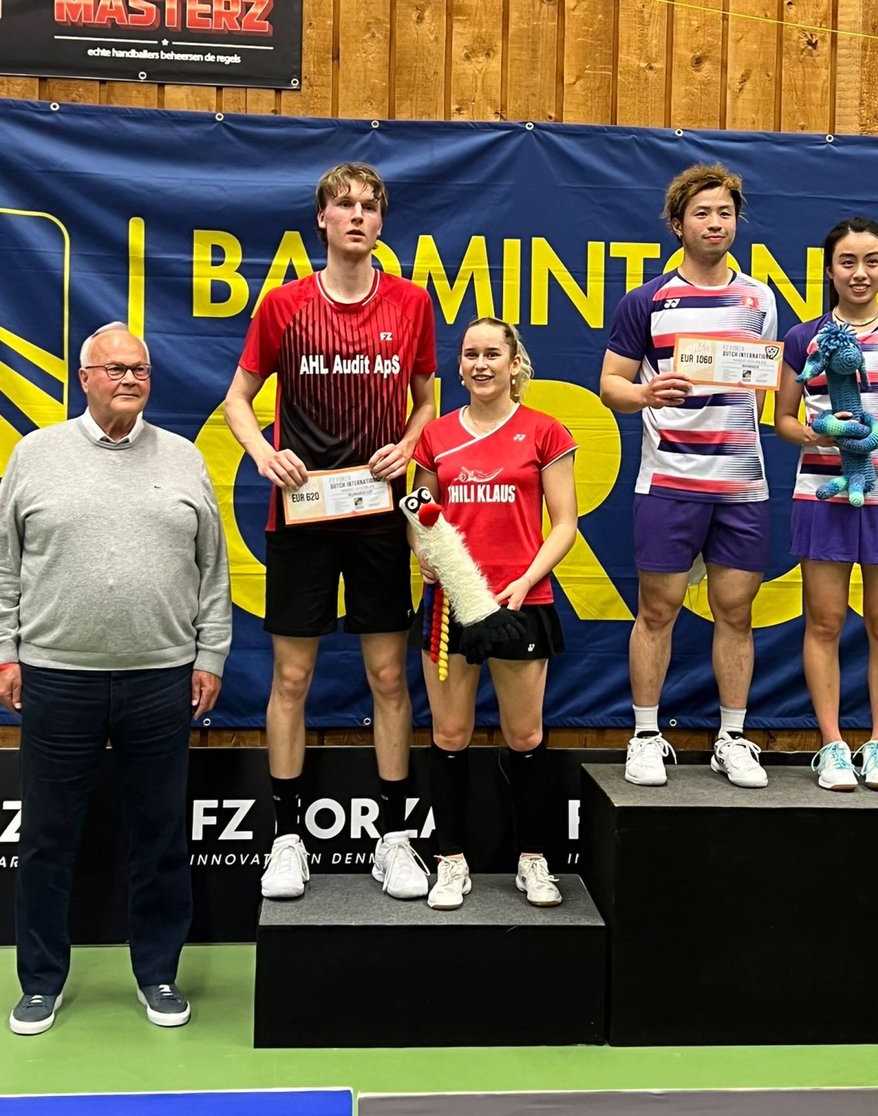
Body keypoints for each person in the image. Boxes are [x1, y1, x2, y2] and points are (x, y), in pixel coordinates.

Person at [0, 322, 231, 1036]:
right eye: (116, 368)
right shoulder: (34, 456)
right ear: (85, 377)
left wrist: (210, 656)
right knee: (45, 837)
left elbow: (213, 569)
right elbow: (6, 564)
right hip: (56, 676)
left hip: (161, 680)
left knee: (160, 834)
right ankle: (40, 982)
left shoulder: (185, 457)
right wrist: (6, 648)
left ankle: (157, 974)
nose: (130, 379)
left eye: (141, 369)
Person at [224, 162, 436, 902]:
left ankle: (395, 840)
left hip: (379, 515)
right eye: (343, 204)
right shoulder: (284, 305)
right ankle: (286, 840)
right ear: (321, 218)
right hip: (303, 513)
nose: (356, 216)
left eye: (369, 206)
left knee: (387, 676)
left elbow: (425, 401)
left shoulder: (411, 303)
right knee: (291, 677)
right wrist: (263, 450)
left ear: (382, 222)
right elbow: (238, 400)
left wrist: (411, 444)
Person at [600, 163, 776, 789]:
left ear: (736, 221)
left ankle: (732, 736)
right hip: (670, 480)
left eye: (724, 212)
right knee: (658, 609)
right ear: (678, 225)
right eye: (701, 213)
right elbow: (610, 386)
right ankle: (646, 735)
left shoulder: (760, 299)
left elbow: (762, 393)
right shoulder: (646, 301)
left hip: (740, 485)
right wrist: (648, 393)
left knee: (736, 610)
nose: (714, 223)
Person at [410, 318, 577, 910]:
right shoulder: (435, 436)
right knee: (449, 735)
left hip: (520, 605)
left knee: (525, 735)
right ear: (459, 366)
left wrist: (527, 579)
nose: (481, 364)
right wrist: (425, 557)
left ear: (513, 363)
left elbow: (565, 524)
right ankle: (450, 861)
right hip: (453, 609)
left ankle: (533, 860)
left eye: (492, 354)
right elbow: (421, 514)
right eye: (470, 355)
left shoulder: (544, 432)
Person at [775, 217, 878, 792]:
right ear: (829, 269)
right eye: (847, 261)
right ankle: (833, 747)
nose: (860, 273)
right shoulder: (805, 337)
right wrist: (819, 435)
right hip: (821, 494)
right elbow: (785, 421)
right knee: (823, 622)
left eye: (871, 260)